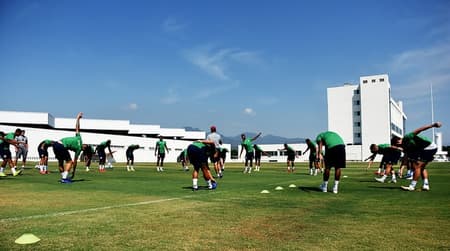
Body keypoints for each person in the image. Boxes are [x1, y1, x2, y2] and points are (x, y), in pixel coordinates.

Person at [400, 122, 442, 191]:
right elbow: (406, 157)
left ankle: (412, 186)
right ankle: (426, 185)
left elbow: (420, 129)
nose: (399, 144)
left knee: (417, 166)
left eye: (399, 141)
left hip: (429, 147)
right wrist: (401, 168)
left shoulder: (407, 137)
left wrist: (433, 125)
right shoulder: (406, 147)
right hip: (429, 148)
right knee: (421, 167)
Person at [52, 112, 87, 183]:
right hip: (61, 145)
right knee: (70, 162)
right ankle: (64, 179)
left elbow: (77, 128)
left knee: (61, 162)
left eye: (86, 146)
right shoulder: (79, 145)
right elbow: (77, 128)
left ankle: (63, 177)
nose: (85, 145)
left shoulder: (79, 141)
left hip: (56, 144)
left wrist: (78, 118)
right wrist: (78, 119)